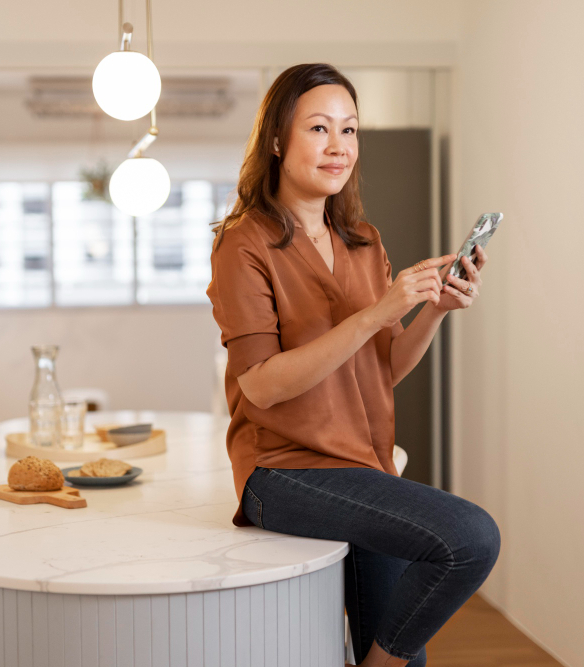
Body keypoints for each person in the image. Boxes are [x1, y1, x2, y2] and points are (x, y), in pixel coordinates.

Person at [206, 63, 500, 667]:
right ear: (278, 141)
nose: (339, 147)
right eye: (319, 128)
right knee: (469, 538)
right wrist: (373, 314)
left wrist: (435, 310)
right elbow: (260, 385)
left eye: (350, 129)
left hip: (363, 465)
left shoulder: (364, 242)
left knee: (402, 646)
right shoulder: (244, 244)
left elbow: (381, 371)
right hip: (282, 471)